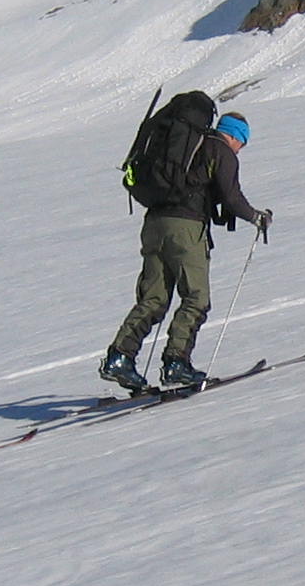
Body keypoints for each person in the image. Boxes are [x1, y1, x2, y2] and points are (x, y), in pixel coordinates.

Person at [101, 110, 271, 391]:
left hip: (154, 224)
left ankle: (120, 357)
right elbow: (231, 196)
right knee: (196, 298)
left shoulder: (186, 148)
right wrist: (255, 217)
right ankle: (176, 363)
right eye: (242, 143)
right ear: (234, 136)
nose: (241, 149)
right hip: (186, 229)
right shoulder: (220, 150)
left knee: (154, 298)